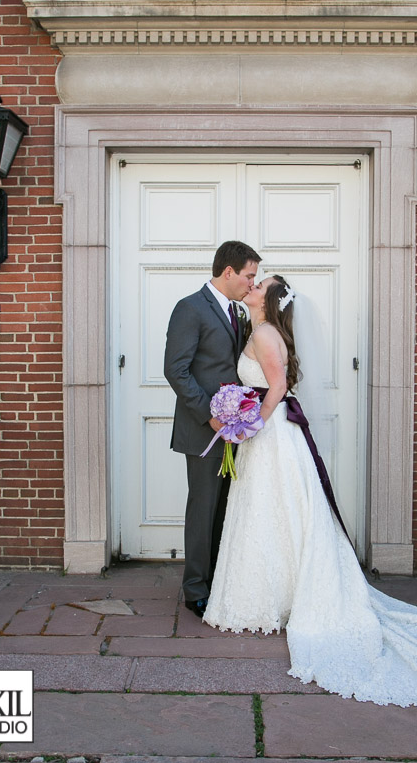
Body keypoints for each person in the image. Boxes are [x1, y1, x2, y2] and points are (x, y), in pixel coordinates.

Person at [203, 274, 417, 707]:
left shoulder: (265, 334)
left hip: (271, 438)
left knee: (271, 510)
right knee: (273, 512)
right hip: (274, 438)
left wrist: (252, 424)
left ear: (269, 299)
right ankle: (278, 594)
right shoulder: (260, 329)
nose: (252, 286)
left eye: (259, 284)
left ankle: (272, 599)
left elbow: (278, 388)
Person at [164, 240, 261, 618]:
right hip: (203, 429)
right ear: (229, 272)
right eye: (250, 276)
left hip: (232, 429)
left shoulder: (236, 312)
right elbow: (177, 370)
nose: (253, 283)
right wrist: (212, 415)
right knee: (203, 509)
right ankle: (194, 590)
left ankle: (220, 580)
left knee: (224, 508)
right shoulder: (190, 308)